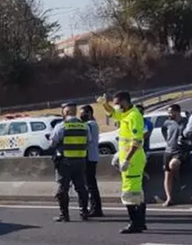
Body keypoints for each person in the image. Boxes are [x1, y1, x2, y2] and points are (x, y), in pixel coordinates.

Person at [100, 91, 147, 233]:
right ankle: (141, 222)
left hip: (133, 160)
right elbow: (113, 114)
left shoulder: (134, 116)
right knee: (137, 192)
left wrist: (127, 159)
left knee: (129, 192)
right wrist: (104, 104)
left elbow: (137, 141)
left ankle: (134, 223)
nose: (116, 106)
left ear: (125, 101)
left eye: (117, 103)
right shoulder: (125, 114)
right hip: (129, 158)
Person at [49, 102, 91, 222]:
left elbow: (52, 142)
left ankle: (64, 215)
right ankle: (84, 212)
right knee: (81, 188)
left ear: (65, 112)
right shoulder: (84, 126)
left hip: (65, 161)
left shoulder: (62, 126)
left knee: (63, 188)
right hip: (81, 160)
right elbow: (89, 142)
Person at [161, 104, 191, 207]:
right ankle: (169, 198)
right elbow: (164, 131)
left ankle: (177, 177)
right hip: (168, 150)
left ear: (177, 112)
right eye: (168, 112)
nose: (169, 114)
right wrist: (168, 140)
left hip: (180, 151)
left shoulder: (185, 122)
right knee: (167, 174)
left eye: (171, 112)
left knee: (173, 165)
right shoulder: (167, 123)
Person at [79, 104, 103, 217]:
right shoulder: (94, 124)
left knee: (90, 184)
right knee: (91, 183)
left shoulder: (89, 125)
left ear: (89, 113)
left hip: (89, 156)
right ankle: (96, 207)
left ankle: (96, 208)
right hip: (93, 156)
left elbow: (86, 140)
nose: (81, 115)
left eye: (83, 113)